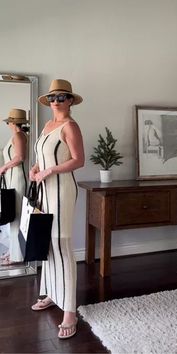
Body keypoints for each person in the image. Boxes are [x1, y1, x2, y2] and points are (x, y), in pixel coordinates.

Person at [29, 79, 85, 339]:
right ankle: (52, 293)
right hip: (44, 190)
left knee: (61, 245)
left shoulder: (70, 126)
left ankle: (70, 312)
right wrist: (37, 168)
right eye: (52, 97)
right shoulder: (47, 125)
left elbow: (78, 160)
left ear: (70, 100)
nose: (56, 101)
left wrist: (50, 170)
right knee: (47, 245)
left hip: (62, 190)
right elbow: (43, 154)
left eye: (62, 97)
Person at [0, 108, 28, 265]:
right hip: (13, 179)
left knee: (16, 217)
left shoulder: (18, 135)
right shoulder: (18, 136)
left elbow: (20, 157)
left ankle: (16, 255)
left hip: (17, 180)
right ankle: (12, 251)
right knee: (13, 216)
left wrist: (3, 167)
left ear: (12, 122)